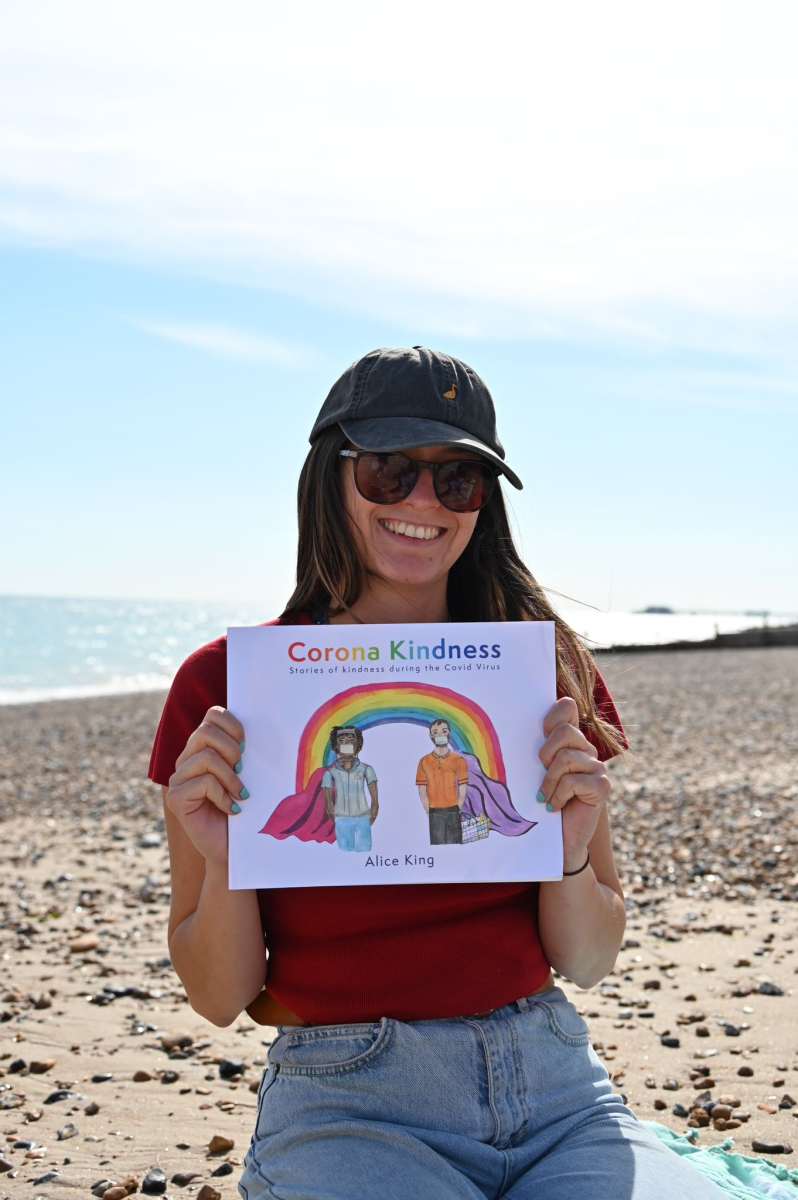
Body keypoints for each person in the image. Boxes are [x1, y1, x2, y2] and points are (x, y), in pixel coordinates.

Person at [149, 347, 725, 1199]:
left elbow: (592, 958)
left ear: (480, 504)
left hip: (557, 1087)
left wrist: (567, 846)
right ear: (330, 479)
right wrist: (232, 857)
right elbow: (218, 995)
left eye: (457, 479)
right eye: (390, 471)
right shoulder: (224, 688)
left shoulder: (543, 676)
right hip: (349, 1101)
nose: (424, 502)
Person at [321, 725, 379, 851]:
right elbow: (328, 801)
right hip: (341, 820)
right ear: (336, 746)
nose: (346, 744)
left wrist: (371, 818)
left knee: (364, 852)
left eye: (351, 741)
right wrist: (336, 818)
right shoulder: (330, 773)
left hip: (363, 818)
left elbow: (375, 799)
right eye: (341, 742)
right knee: (346, 855)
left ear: (357, 745)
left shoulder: (366, 769)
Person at [416, 718, 467, 844]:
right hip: (434, 812)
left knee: (455, 845)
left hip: (453, 810)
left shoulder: (458, 760)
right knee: (437, 845)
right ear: (431, 736)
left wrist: (459, 806)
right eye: (435, 732)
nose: (440, 735)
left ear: (449, 734)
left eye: (444, 731)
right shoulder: (424, 761)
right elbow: (422, 789)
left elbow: (463, 785)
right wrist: (427, 810)